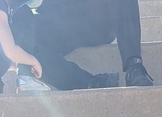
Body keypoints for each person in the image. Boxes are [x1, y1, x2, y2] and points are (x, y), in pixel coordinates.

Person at [11, 0, 154, 92]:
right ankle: (88, 82)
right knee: (20, 24)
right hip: (59, 23)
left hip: (96, 21)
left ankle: (134, 68)